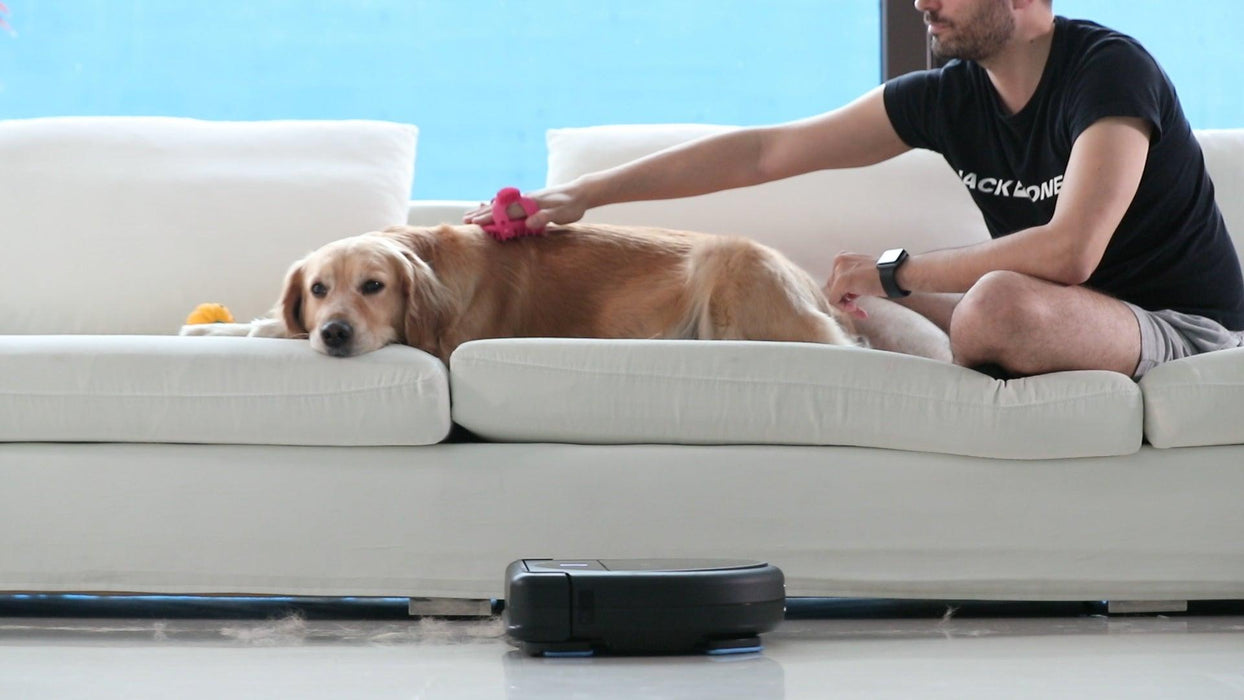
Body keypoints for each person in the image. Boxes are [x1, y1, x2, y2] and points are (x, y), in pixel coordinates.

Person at [464, 0, 1244, 379]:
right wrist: (584, 194)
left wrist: (900, 271)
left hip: (1180, 327)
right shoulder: (948, 95)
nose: (921, 2)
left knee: (999, 304)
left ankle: (953, 317)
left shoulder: (1108, 71)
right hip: (1065, 313)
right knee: (851, 298)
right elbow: (769, 152)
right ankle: (946, 318)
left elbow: (1071, 253)